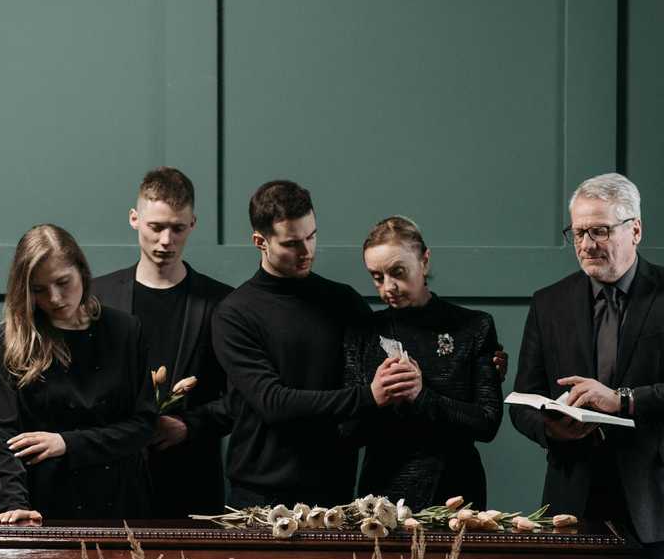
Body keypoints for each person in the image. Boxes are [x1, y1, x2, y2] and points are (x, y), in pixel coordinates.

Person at [510, 173, 664, 559]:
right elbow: (522, 399)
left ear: (636, 229)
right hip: (573, 496)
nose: (587, 244)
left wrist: (622, 400)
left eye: (600, 231)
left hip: (656, 502)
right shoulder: (548, 302)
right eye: (578, 233)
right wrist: (550, 428)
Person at [212, 180, 416, 507]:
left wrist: (478, 358)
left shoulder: (343, 300)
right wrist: (368, 397)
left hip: (334, 489)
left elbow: (400, 347)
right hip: (258, 493)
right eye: (292, 243)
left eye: (312, 236)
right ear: (259, 241)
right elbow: (273, 402)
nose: (307, 251)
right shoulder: (234, 313)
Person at [0, 224, 156, 524]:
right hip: (44, 503)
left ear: (82, 272)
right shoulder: (10, 339)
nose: (53, 298)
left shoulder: (126, 330)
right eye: (38, 290)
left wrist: (67, 442)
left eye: (63, 282)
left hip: (120, 502)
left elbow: (143, 426)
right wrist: (14, 504)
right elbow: (3, 436)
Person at [92, 167, 234, 517]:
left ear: (193, 224)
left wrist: (189, 426)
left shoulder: (221, 303)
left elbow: (242, 398)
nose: (166, 241)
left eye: (178, 228)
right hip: (112, 482)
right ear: (134, 219)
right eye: (156, 227)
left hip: (194, 483)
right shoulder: (98, 296)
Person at [343, 216, 504, 511]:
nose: (388, 287)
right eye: (377, 277)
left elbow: (487, 423)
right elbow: (348, 432)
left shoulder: (474, 326)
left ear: (425, 261)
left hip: (457, 492)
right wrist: (375, 396)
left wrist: (422, 396)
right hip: (382, 496)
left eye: (398, 272)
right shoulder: (362, 331)